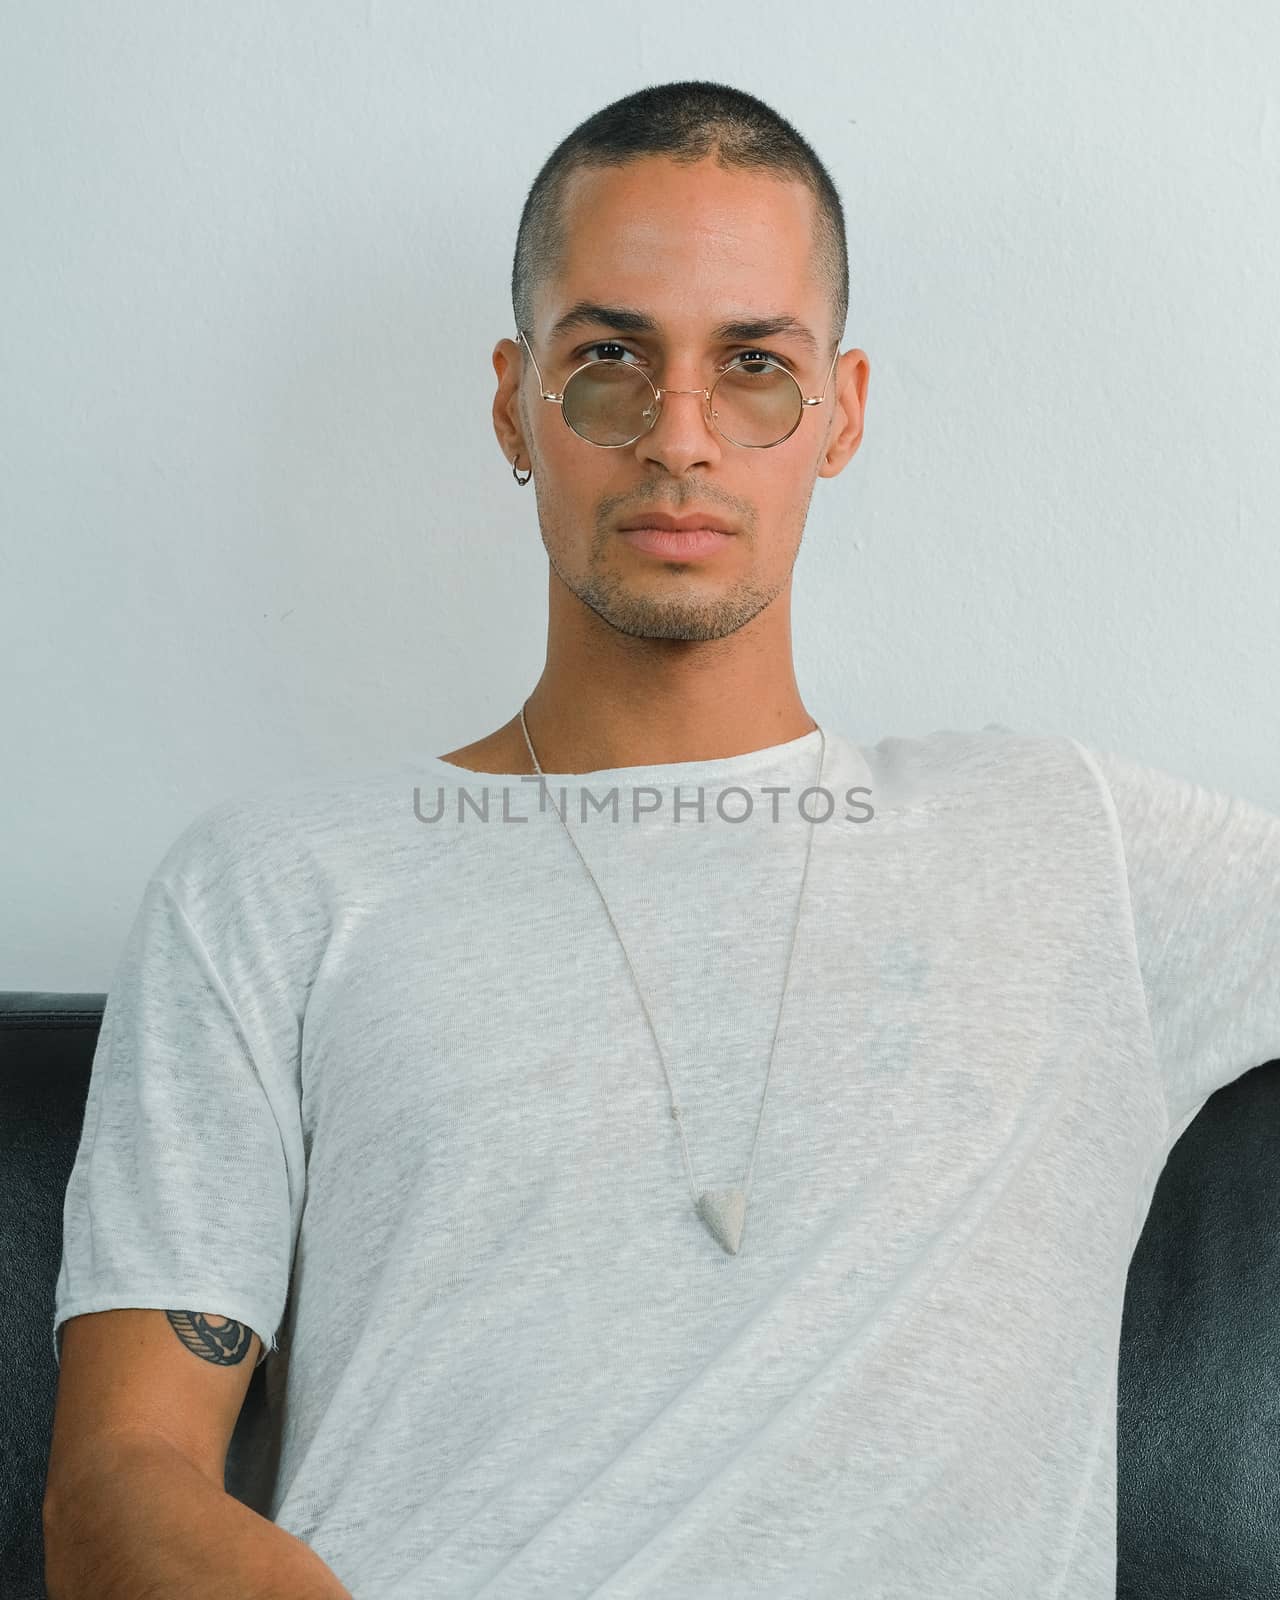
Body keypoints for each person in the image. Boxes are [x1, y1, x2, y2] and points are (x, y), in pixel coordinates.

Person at [50, 80, 1280, 1600]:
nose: (678, 437)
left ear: (839, 415)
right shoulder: (277, 882)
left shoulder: (1071, 839)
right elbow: (118, 1482)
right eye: (611, 361)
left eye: (754, 367)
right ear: (516, 403)